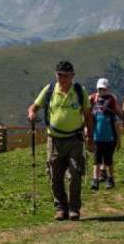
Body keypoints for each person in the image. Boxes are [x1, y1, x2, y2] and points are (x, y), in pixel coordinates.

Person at [27, 60, 92, 221]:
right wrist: (32, 114)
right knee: (55, 175)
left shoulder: (79, 91)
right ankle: (61, 208)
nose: (62, 78)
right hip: (54, 140)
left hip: (75, 139)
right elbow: (33, 107)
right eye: (59, 75)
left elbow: (88, 115)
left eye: (65, 75)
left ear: (72, 76)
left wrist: (90, 137)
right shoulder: (49, 90)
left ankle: (74, 208)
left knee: (75, 174)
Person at [89, 78, 121, 191]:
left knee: (108, 160)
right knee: (96, 160)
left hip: (109, 139)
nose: (101, 91)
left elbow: (117, 125)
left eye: (103, 89)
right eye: (99, 89)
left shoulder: (110, 110)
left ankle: (110, 178)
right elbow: (90, 124)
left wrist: (119, 140)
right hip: (98, 138)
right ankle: (95, 180)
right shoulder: (94, 104)